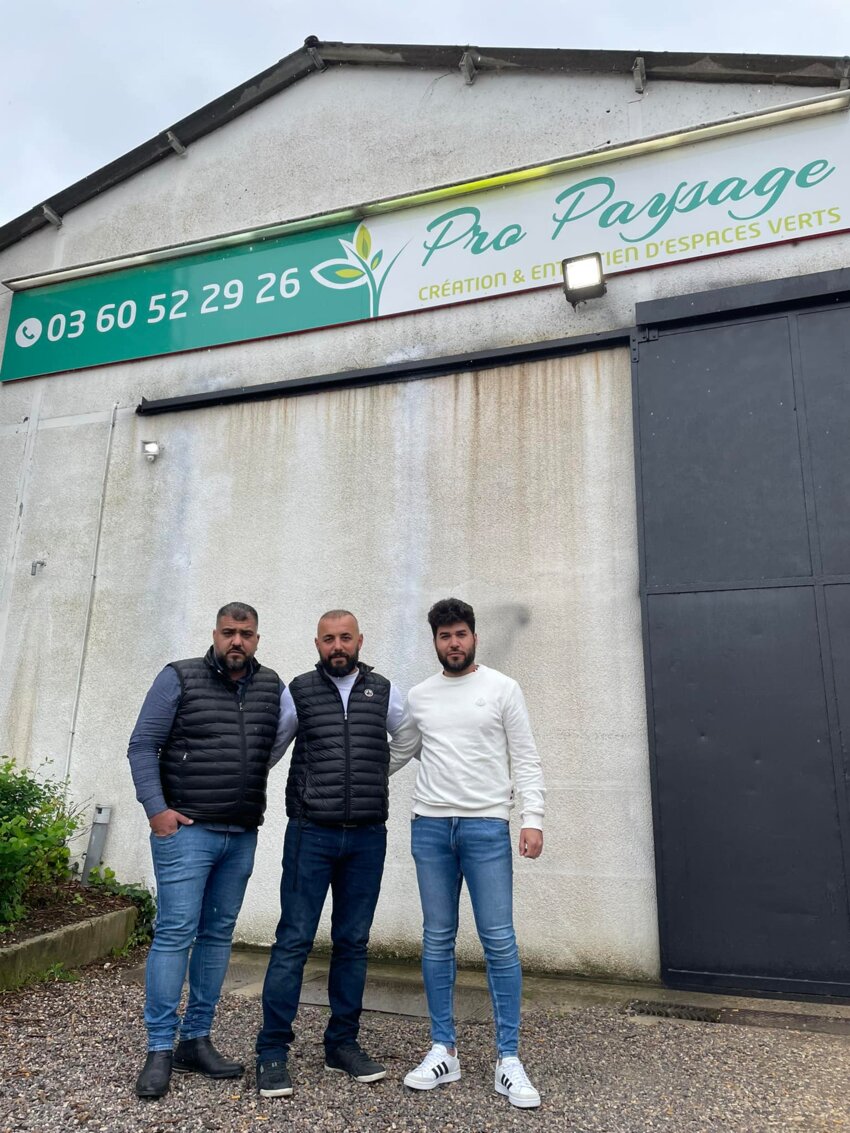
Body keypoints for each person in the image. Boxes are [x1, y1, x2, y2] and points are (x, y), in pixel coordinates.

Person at [390, 597, 545, 1109]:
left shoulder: (502, 689)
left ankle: (508, 1059)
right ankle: (444, 1049)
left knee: (499, 941)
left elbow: (525, 757)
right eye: (443, 636)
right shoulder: (420, 696)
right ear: (434, 642)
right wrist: (349, 771)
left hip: (485, 828)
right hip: (430, 828)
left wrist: (532, 818)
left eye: (460, 634)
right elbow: (400, 752)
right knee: (437, 939)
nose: (452, 643)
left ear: (473, 636)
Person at [255, 609, 417, 1098]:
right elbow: (274, 748)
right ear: (317, 643)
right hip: (311, 834)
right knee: (293, 941)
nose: (337, 646)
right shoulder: (299, 691)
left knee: (353, 943)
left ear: (360, 640)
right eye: (329, 639)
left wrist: (370, 776)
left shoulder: (383, 690)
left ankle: (341, 1044)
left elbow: (408, 739)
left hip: (367, 836)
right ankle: (272, 1050)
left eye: (345, 637)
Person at [127, 602, 282, 1100]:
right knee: (175, 932)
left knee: (217, 935)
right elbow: (141, 745)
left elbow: (270, 746)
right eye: (229, 632)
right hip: (186, 831)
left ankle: (196, 1039)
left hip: (240, 833)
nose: (237, 641)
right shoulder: (179, 677)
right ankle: (158, 1049)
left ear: (258, 638)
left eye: (247, 634)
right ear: (215, 634)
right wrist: (157, 810)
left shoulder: (270, 686)